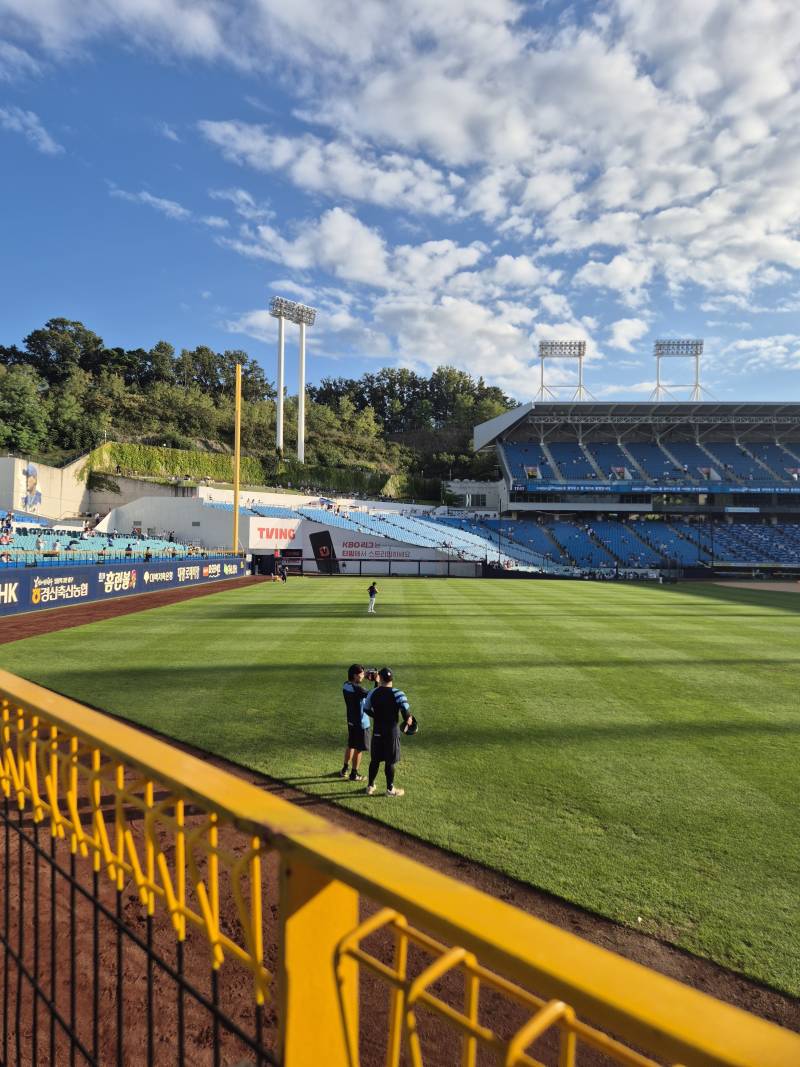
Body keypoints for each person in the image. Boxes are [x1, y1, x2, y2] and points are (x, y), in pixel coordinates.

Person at [362, 668, 412, 797]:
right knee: (390, 761)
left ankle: (370, 786)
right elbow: (405, 712)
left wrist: (377, 716)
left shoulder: (373, 692)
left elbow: (366, 709)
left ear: (380, 678)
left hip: (378, 731)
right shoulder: (399, 693)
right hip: (392, 732)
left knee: (375, 760)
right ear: (392, 679)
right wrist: (409, 719)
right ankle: (390, 790)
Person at [339, 664, 372, 782]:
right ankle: (354, 774)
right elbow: (373, 696)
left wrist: (364, 677)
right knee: (359, 749)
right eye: (361, 674)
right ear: (355, 675)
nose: (363, 676)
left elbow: (357, 688)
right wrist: (376, 682)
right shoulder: (358, 689)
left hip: (351, 721)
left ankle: (344, 770)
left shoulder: (346, 685)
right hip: (362, 723)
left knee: (351, 745)